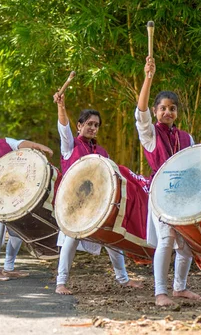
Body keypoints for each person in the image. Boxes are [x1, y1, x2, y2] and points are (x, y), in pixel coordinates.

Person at [53, 91, 144, 295]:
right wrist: (61, 106)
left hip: (98, 204)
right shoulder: (70, 145)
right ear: (79, 125)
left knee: (112, 236)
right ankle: (61, 282)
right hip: (74, 204)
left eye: (96, 125)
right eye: (89, 124)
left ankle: (123, 279)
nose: (93, 128)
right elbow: (63, 128)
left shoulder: (102, 152)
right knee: (71, 239)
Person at [0, 90, 53, 281]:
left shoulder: (5, 143)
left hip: (9, 195)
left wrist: (41, 147)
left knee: (17, 227)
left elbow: (22, 144)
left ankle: (8, 267)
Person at [135, 56, 201, 306]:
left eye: (172, 108)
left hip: (184, 195)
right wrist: (148, 77)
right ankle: (160, 292)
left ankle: (179, 288)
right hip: (161, 193)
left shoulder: (187, 138)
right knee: (167, 239)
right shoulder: (150, 134)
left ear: (177, 112)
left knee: (186, 243)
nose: (167, 112)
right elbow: (140, 111)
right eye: (162, 108)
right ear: (155, 111)